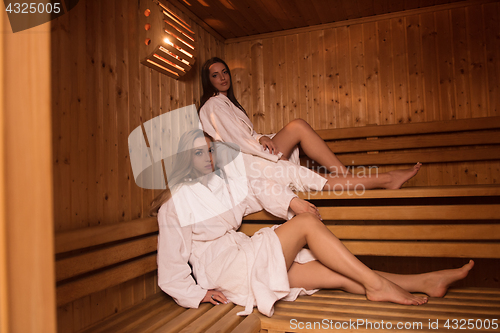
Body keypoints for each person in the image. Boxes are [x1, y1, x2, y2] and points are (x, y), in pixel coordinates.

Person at [151, 129, 474, 317]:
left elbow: (259, 190)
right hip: (226, 270)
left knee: (336, 274)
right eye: (198, 154)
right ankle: (378, 287)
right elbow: (171, 265)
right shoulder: (177, 203)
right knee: (307, 223)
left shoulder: (225, 187)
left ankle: (425, 281)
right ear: (186, 161)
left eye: (210, 150)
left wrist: (289, 200)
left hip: (244, 258)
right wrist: (196, 294)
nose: (207, 158)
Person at [198, 57, 422, 192]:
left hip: (251, 151)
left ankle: (347, 176)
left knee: (299, 126)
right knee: (297, 126)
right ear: (209, 81)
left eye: (225, 72)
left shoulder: (227, 104)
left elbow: (242, 135)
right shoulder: (213, 105)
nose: (223, 78)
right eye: (216, 75)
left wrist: (260, 138)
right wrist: (258, 140)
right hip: (243, 161)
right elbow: (234, 140)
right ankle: (350, 177)